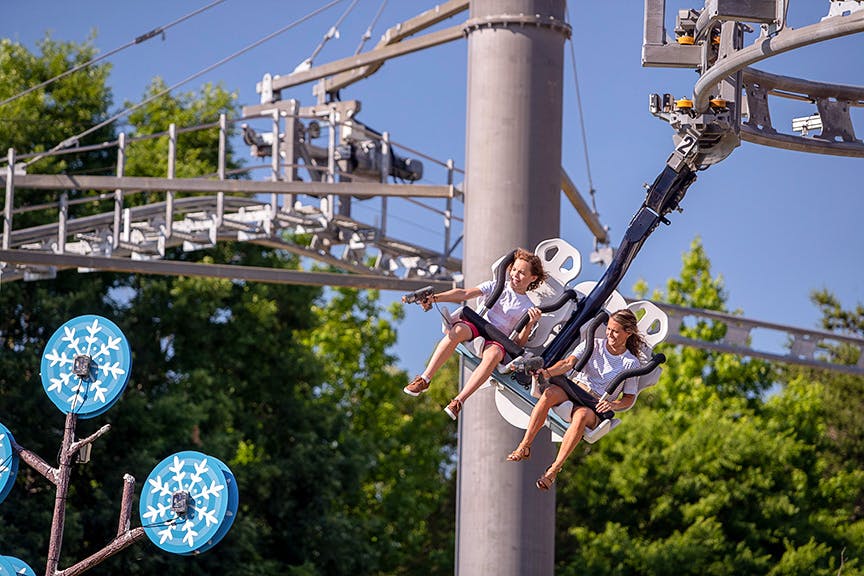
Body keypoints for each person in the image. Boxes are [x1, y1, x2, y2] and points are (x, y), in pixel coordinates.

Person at [505, 308, 645, 491]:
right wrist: (546, 373)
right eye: (609, 329)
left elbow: (628, 398)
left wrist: (612, 404)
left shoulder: (631, 363)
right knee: (549, 394)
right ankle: (524, 446)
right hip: (574, 389)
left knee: (581, 417)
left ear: (628, 333)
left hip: (593, 404)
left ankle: (553, 470)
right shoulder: (593, 344)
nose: (610, 334)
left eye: (615, 331)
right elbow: (567, 363)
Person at [403, 248, 547, 420]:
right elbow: (464, 294)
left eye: (522, 273)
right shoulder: (497, 285)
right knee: (458, 330)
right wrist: (435, 298)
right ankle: (425, 379)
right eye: (514, 270)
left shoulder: (527, 306)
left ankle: (458, 401)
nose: (515, 274)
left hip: (497, 341)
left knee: (494, 354)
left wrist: (529, 324)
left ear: (533, 278)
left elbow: (518, 343)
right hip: (478, 327)